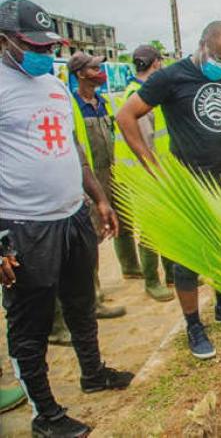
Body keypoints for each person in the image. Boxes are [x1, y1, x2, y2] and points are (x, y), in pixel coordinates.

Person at [0, 0, 133, 437]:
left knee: (81, 303)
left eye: (47, 45)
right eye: (31, 45)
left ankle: (93, 374)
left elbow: (72, 149)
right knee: (30, 322)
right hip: (23, 225)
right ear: (4, 41)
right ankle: (45, 414)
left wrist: (98, 199)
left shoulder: (56, 87)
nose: (42, 53)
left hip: (73, 215)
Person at [117, 21, 221, 360]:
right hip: (188, 181)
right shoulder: (171, 77)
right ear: (201, 46)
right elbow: (126, 116)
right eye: (217, 58)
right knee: (188, 260)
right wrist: (151, 165)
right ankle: (193, 325)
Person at [67, 52, 128, 319]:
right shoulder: (72, 106)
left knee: (124, 220)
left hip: (112, 171)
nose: (99, 72)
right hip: (88, 176)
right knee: (89, 239)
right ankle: (94, 298)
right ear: (80, 73)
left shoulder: (104, 103)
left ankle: (131, 266)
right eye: (94, 68)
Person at [111, 44, 174, 302]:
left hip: (155, 171)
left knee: (169, 224)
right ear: (156, 63)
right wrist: (155, 171)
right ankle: (152, 280)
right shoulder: (140, 95)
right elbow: (145, 140)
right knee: (151, 230)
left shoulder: (142, 91)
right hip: (145, 173)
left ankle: (173, 272)